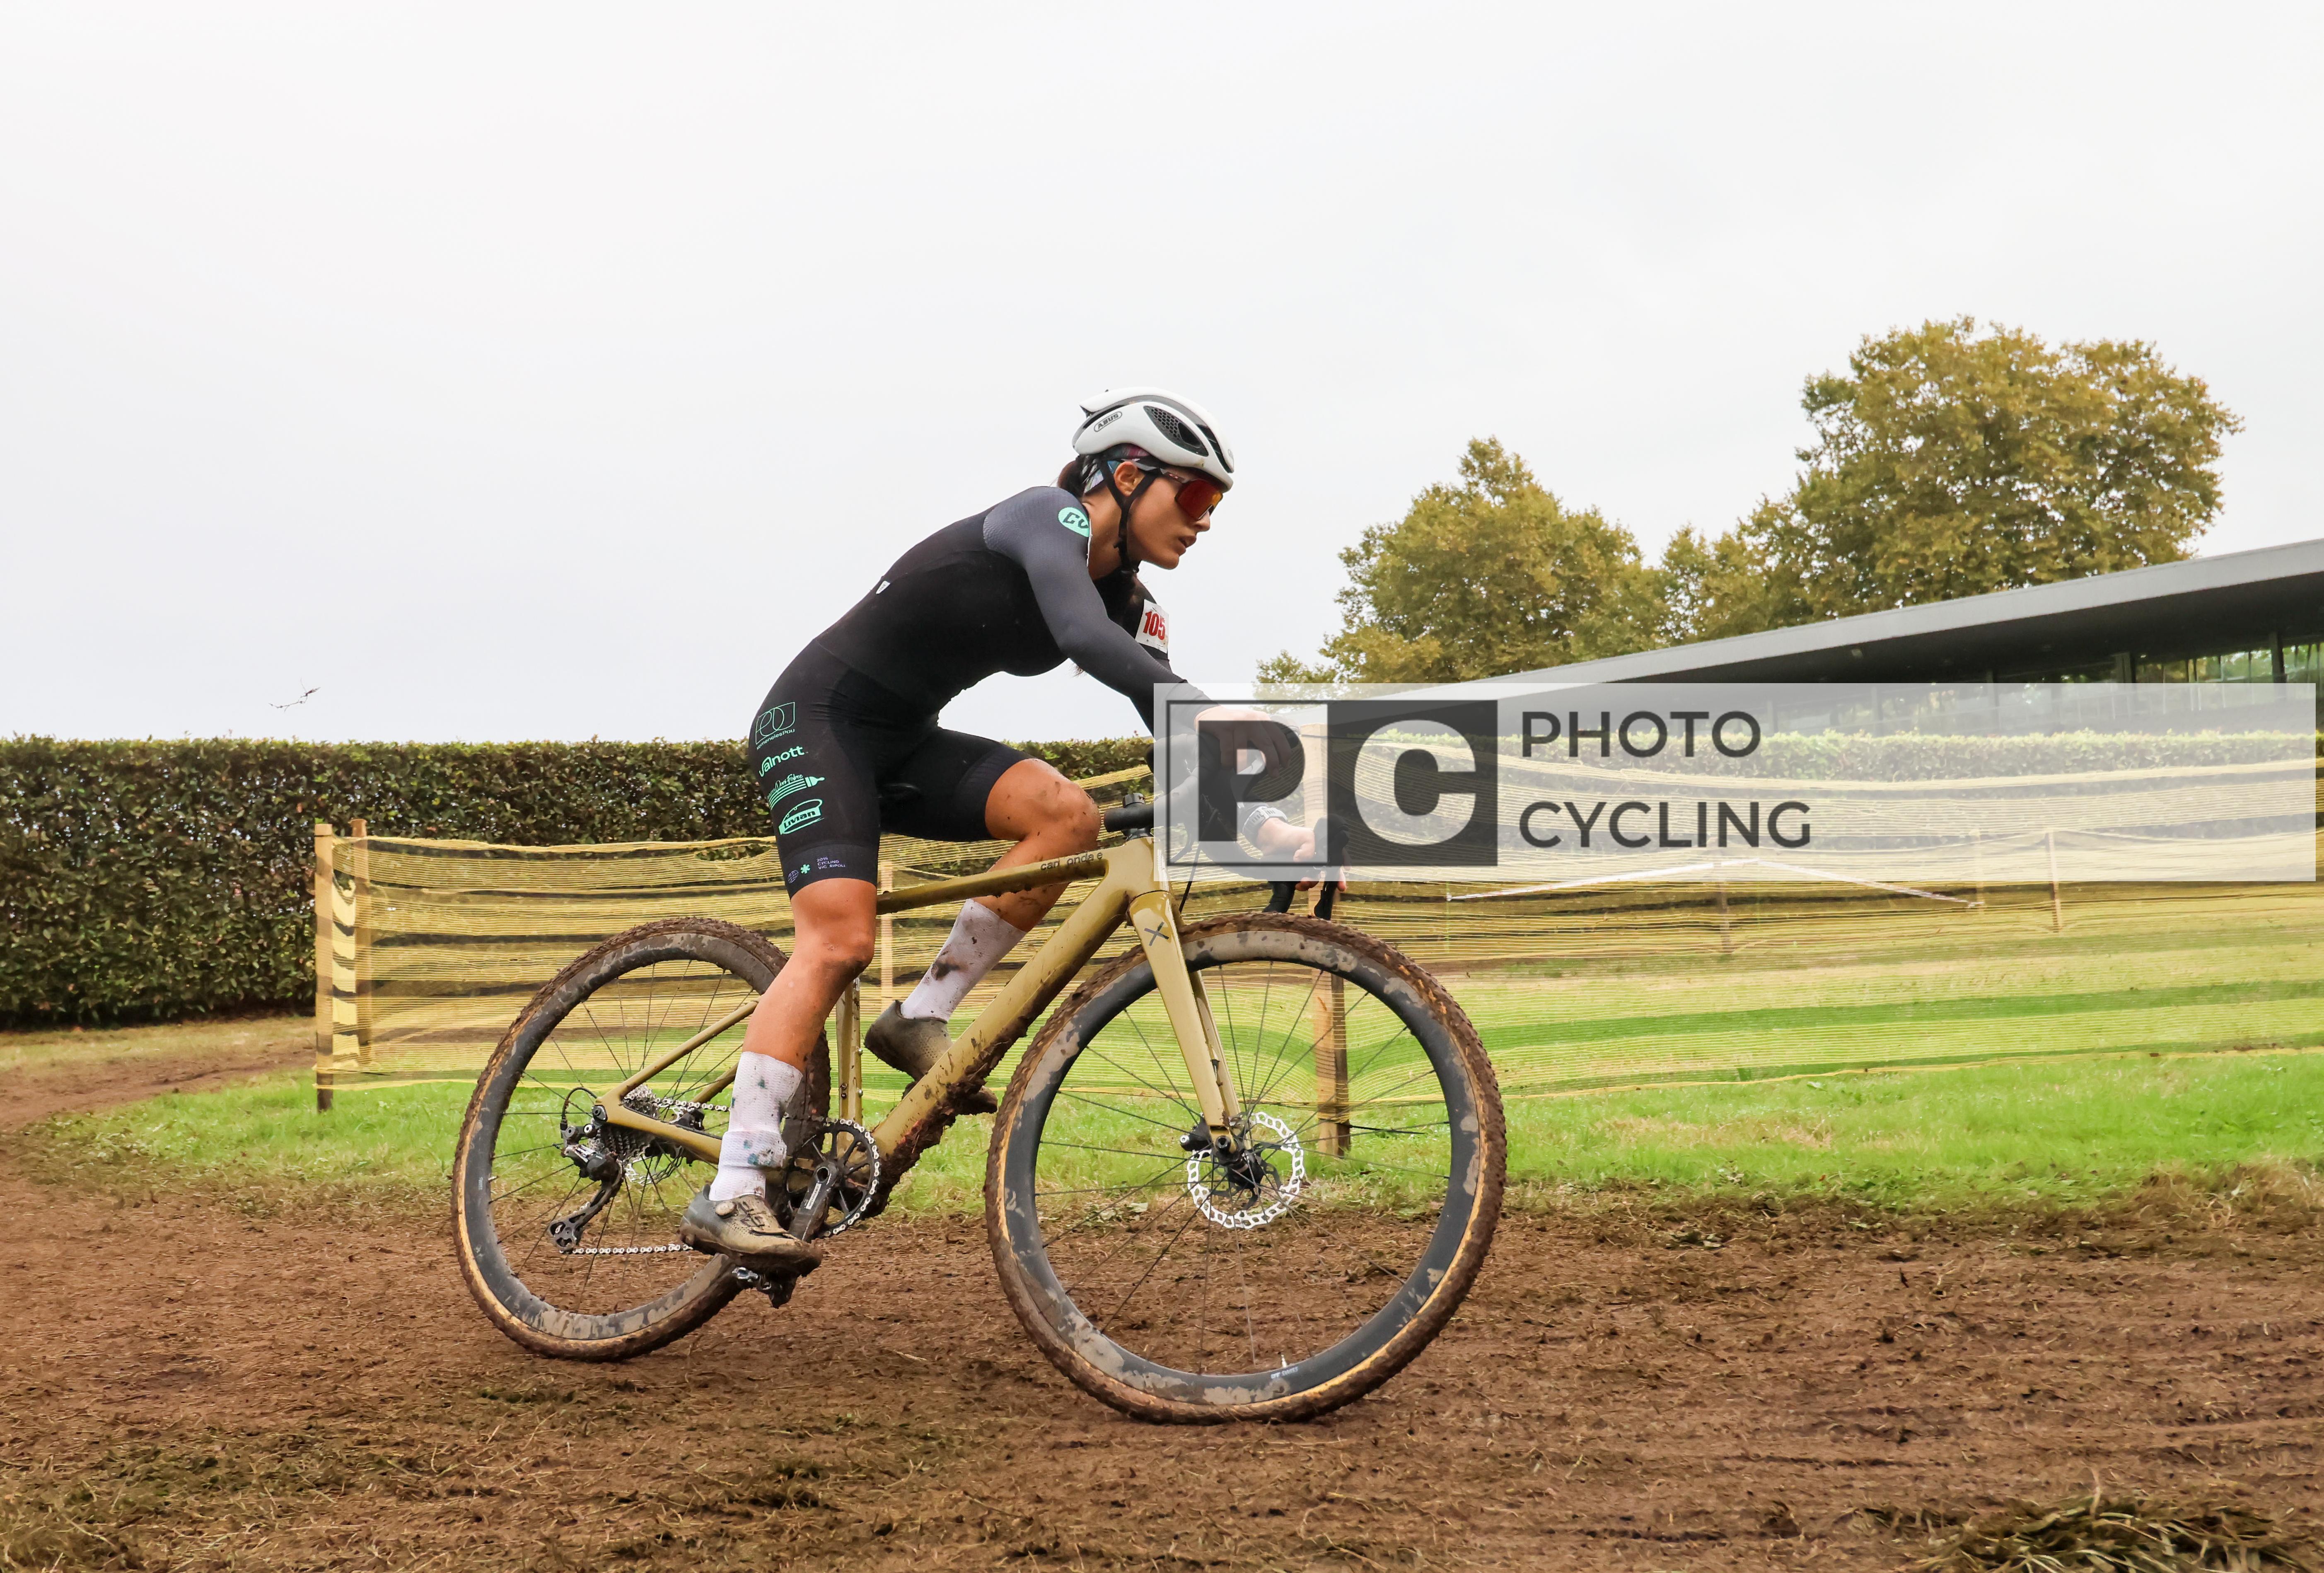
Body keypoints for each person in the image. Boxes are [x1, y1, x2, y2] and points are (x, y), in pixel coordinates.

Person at [680, 389, 1320, 1269]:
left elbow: (1166, 721)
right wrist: (1216, 715)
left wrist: (1268, 828)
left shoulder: (1131, 602)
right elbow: (1081, 638)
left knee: (1068, 816)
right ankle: (733, 1189)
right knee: (839, 942)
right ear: (1125, 476)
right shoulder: (1044, 517)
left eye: (1216, 504)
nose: (1204, 521)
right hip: (818, 721)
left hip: (904, 741)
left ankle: (920, 1017)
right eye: (1196, 495)